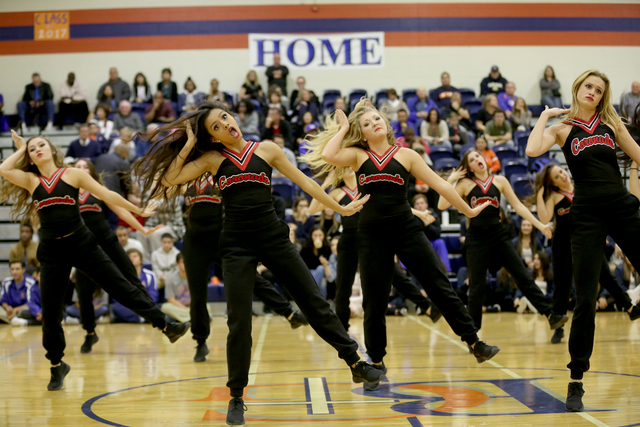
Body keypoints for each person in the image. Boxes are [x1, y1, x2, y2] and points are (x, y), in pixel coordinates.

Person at [134, 100, 385, 425]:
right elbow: (169, 180)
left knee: (313, 302)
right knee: (239, 321)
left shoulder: (266, 149)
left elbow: (305, 183)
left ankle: (354, 361)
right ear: (212, 138)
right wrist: (190, 146)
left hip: (274, 239)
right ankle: (236, 396)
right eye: (215, 126)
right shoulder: (212, 159)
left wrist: (340, 209)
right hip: (236, 246)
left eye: (224, 117)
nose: (225, 124)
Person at [303, 99, 500, 391]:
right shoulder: (358, 155)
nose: (374, 124)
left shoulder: (406, 154)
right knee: (374, 301)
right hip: (371, 235)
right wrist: (345, 127)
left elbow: (441, 185)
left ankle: (474, 341)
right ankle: (377, 360)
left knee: (438, 284)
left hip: (406, 229)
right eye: (366, 124)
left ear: (386, 124)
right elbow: (330, 154)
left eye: (377, 119)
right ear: (363, 134)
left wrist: (467, 211)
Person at [0, 131, 190, 390]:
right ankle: (57, 365)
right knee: (51, 312)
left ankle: (166, 325)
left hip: (81, 243)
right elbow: (4, 168)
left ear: (52, 149)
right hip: (52, 252)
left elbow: (107, 195)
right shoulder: (32, 180)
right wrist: (21, 149)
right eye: (33, 150)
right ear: (30, 159)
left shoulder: (72, 174)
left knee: (120, 286)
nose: (37, 151)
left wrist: (138, 210)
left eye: (41, 145)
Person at [526, 69, 640, 412]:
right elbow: (532, 150)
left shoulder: (612, 123)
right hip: (586, 214)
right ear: (577, 88)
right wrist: (545, 116)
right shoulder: (561, 130)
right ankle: (576, 381)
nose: (592, 92)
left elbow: (638, 154)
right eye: (588, 86)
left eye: (599, 89)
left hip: (620, 205)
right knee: (586, 299)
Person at [437, 150, 567, 334]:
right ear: (469, 167)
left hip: (498, 235)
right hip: (476, 238)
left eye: (478, 156)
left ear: (484, 159)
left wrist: (540, 225)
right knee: (477, 286)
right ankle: (473, 336)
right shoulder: (465, 184)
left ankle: (550, 315)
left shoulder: (500, 181)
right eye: (472, 159)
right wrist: (451, 180)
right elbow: (442, 205)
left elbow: (518, 206)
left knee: (522, 275)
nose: (477, 159)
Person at [181, 176, 309, 362]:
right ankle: (200, 342)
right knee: (197, 295)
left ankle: (288, 313)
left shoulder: (219, 176)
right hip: (194, 243)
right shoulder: (187, 178)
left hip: (220, 239)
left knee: (252, 278)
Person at [534, 162, 638, 346]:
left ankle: (629, 307)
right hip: (563, 244)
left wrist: (601, 233)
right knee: (563, 284)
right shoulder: (554, 197)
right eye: (556, 177)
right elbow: (544, 218)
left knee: (605, 275)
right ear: (553, 184)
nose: (562, 176)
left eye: (561, 171)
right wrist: (539, 195)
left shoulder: (582, 188)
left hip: (587, 240)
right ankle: (558, 327)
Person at [72, 157, 164, 352]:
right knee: (84, 293)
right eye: (77, 167)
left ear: (90, 171)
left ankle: (157, 317)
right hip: (83, 248)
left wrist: (143, 229)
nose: (80, 169)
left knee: (132, 277)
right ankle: (90, 333)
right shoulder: (68, 193)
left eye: (84, 167)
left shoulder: (98, 189)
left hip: (106, 241)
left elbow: (122, 212)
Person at [112, 248, 158, 323]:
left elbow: (153, 295)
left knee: (157, 307)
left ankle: (133, 318)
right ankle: (143, 318)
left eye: (135, 256)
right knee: (115, 308)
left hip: (145, 305)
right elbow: (118, 296)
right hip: (129, 306)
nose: (132, 258)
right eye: (129, 256)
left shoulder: (150, 275)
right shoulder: (120, 275)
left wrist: (143, 304)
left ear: (141, 260)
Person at [161, 252, 191, 322]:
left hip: (192, 306)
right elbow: (171, 299)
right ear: (177, 265)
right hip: (178, 306)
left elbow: (198, 297)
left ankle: (181, 318)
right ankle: (191, 318)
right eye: (183, 262)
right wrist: (185, 309)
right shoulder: (170, 278)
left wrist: (191, 308)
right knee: (165, 307)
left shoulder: (196, 277)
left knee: (207, 306)